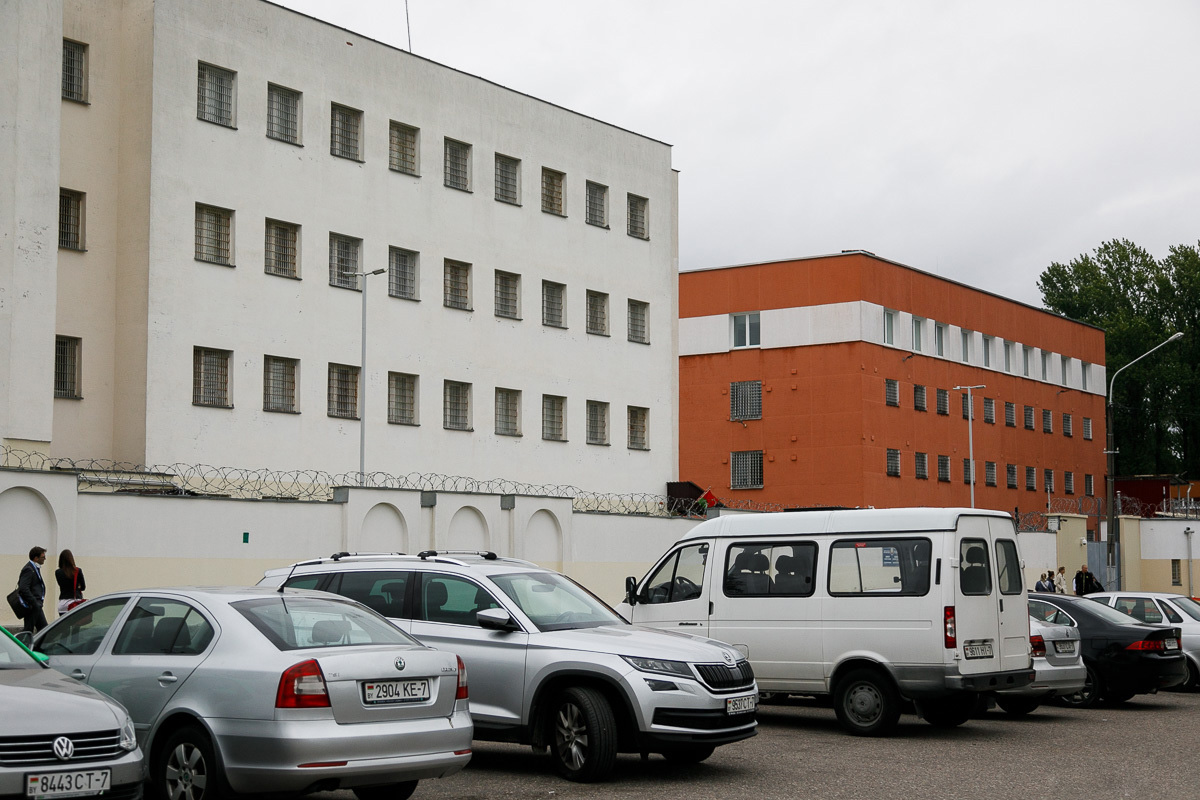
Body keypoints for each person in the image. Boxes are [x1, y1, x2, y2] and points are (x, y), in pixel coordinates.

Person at [17, 546, 49, 634]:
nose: (45, 559)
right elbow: (24, 587)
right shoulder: (29, 569)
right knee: (28, 630)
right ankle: (21, 642)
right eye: (43, 557)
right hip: (32, 606)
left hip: (36, 605)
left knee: (43, 630)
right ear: (36, 558)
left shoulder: (34, 568)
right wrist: (34, 602)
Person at [54, 549, 86, 616]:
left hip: (63, 603)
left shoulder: (58, 572)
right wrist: (78, 586)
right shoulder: (78, 571)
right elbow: (83, 587)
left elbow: (61, 585)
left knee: (65, 622)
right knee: (76, 621)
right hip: (75, 602)